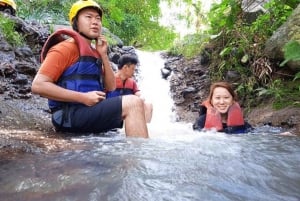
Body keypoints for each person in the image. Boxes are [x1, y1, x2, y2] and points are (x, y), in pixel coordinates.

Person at [31, 0, 148, 138]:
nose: (95, 22)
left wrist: (104, 55)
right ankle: (140, 157)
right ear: (76, 22)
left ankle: (137, 154)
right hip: (69, 116)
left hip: (87, 112)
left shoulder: (95, 53)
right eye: (88, 17)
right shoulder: (64, 49)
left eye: (98, 18)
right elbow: (38, 86)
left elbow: (110, 87)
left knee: (140, 104)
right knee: (133, 103)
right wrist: (83, 98)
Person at [106, 54, 153, 123]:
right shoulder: (110, 79)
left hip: (127, 110)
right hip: (112, 110)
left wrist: (140, 98)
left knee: (148, 106)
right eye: (132, 69)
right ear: (125, 67)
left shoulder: (132, 82)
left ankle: (144, 128)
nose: (134, 72)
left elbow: (137, 93)